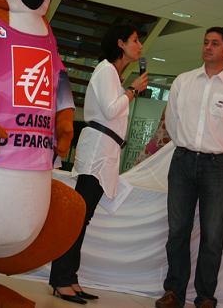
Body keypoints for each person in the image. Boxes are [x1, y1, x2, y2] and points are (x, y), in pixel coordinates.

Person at [156, 27, 223, 308]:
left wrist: (220, 152)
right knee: (178, 230)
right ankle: (174, 292)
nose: (208, 47)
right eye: (205, 42)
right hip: (183, 161)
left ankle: (205, 297)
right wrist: (188, 146)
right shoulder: (184, 81)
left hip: (217, 167)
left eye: (215, 43)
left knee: (213, 235)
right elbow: (173, 123)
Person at [49, 24, 148, 304]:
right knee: (78, 216)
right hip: (97, 152)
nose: (140, 46)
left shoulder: (114, 74)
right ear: (120, 43)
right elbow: (111, 109)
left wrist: (128, 89)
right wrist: (133, 90)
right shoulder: (106, 70)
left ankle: (70, 277)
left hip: (105, 151)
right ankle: (61, 279)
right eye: (135, 40)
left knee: (84, 216)